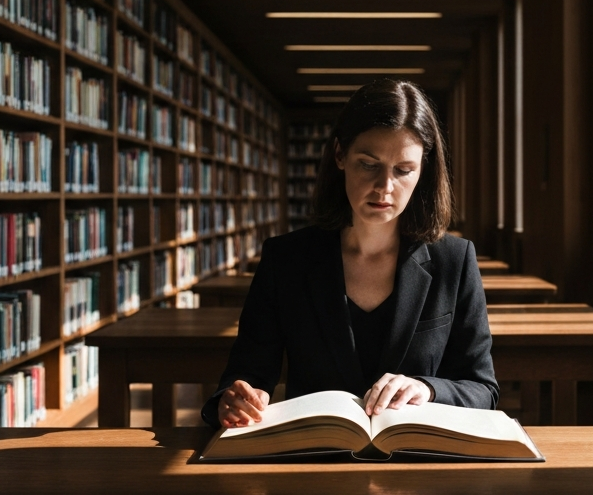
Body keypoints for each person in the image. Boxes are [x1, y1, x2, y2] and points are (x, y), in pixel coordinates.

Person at [201, 78, 498, 428]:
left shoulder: (455, 261)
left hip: (418, 461)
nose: (385, 187)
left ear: (423, 170)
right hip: (314, 459)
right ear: (340, 155)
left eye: (404, 170)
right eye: (368, 164)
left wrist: (427, 388)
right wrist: (234, 400)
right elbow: (246, 372)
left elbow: (483, 389)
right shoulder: (286, 259)